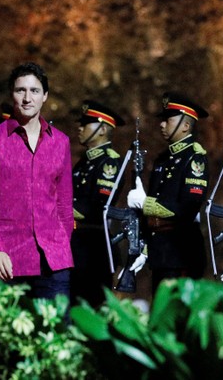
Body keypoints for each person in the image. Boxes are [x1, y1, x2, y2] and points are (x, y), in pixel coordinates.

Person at [0, 62, 73, 299]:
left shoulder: (60, 142)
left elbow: (64, 204)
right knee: (5, 334)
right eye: (21, 90)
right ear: (12, 95)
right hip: (6, 260)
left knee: (55, 334)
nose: (27, 98)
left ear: (45, 96)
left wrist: (61, 243)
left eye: (34, 91)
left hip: (53, 261)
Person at [127, 92, 209, 295]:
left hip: (182, 252)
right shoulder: (162, 160)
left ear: (186, 125)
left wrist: (146, 203)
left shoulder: (194, 158)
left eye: (168, 119)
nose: (162, 124)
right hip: (161, 253)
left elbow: (187, 208)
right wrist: (145, 247)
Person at [71, 100, 125, 307]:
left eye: (86, 124)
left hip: (93, 247)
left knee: (91, 305)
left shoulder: (109, 163)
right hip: (75, 244)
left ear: (102, 129)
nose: (80, 128)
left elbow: (97, 206)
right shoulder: (84, 162)